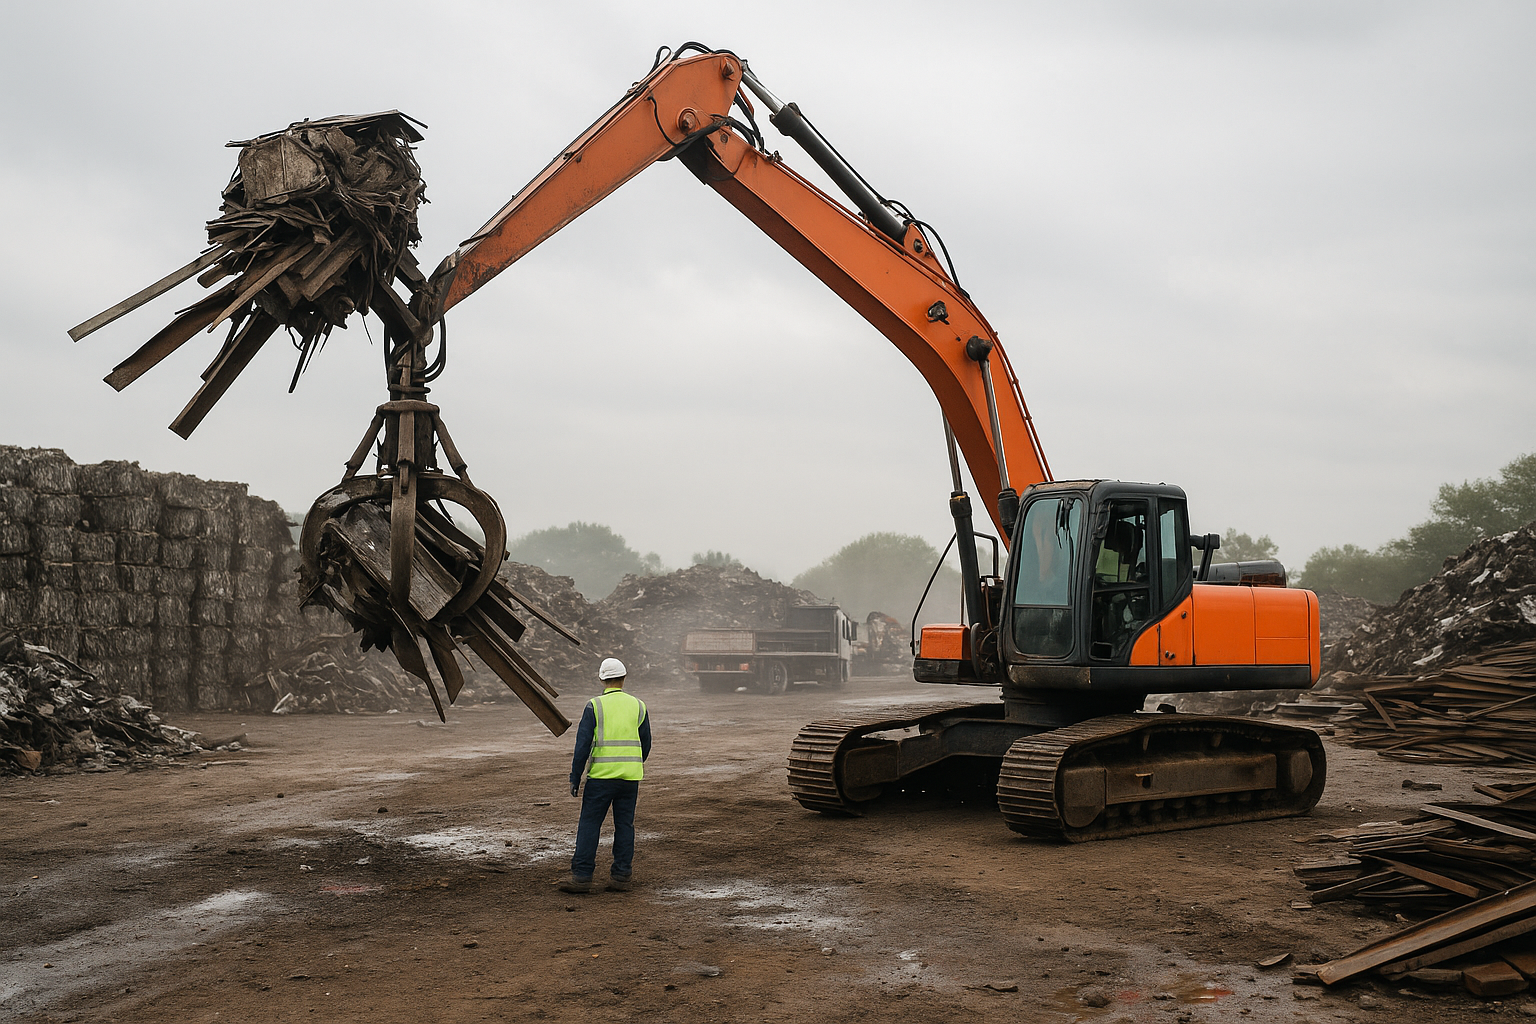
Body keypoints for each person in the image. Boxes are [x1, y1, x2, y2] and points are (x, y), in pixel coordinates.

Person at [560, 657, 651, 894]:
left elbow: (582, 746)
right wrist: (632, 764)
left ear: (601, 679)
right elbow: (646, 743)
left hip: (601, 778)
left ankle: (581, 877)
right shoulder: (639, 705)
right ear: (623, 678)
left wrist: (575, 775)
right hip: (630, 778)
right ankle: (621, 876)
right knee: (624, 825)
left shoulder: (595, 706)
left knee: (590, 824)